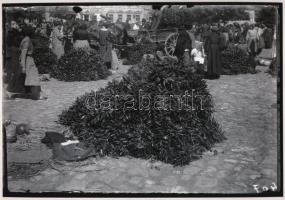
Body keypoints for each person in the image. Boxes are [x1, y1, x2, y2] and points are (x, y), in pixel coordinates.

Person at [19, 26, 46, 100]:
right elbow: (23, 54)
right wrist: (23, 66)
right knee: (33, 78)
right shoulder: (27, 40)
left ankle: (30, 93)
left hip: (29, 59)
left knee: (30, 78)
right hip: (28, 60)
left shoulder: (26, 39)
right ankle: (36, 95)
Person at [5, 21, 26, 95]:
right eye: (13, 24)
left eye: (15, 24)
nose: (14, 25)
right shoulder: (11, 32)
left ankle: (16, 86)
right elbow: (10, 42)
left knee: (17, 69)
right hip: (14, 51)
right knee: (15, 69)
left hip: (17, 51)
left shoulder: (17, 32)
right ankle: (12, 87)